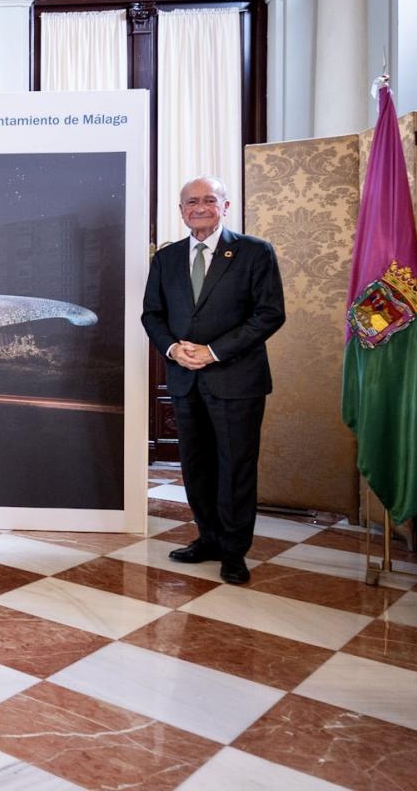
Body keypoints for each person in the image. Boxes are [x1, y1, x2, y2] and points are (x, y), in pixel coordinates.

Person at [141, 176, 285, 585]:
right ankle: (207, 538)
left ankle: (234, 552)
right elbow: (152, 314)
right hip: (184, 380)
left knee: (235, 467)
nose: (199, 207)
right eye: (191, 202)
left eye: (208, 200)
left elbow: (269, 314)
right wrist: (173, 349)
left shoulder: (254, 252)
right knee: (197, 465)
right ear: (181, 210)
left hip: (236, 380)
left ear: (225, 206)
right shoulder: (166, 259)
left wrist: (213, 351)